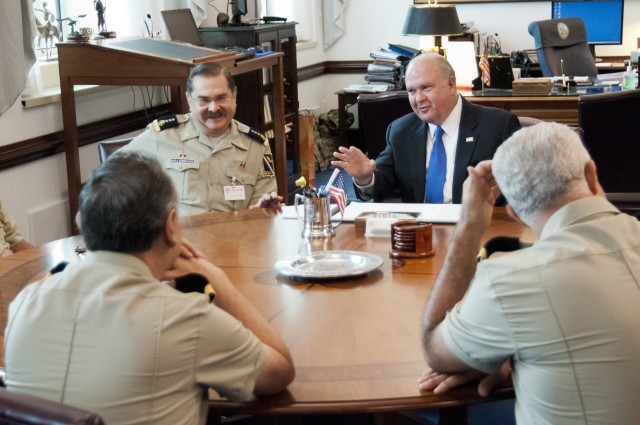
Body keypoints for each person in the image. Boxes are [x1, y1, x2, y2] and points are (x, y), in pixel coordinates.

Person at [4, 151, 295, 424]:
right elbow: (279, 371)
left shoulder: (26, 301)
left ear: (83, 223)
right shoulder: (184, 318)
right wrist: (215, 278)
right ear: (171, 225)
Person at [418, 122, 640, 424]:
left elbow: (434, 347)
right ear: (592, 174)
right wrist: (523, 349)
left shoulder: (509, 282)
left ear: (515, 213)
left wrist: (469, 227)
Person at [332, 52, 521, 204]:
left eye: (426, 88)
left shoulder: (499, 126)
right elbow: (382, 182)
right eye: (411, 91)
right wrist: (366, 177)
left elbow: (521, 191)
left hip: (475, 228)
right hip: (417, 234)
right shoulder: (400, 130)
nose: (418, 98)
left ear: (451, 85)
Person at [124, 62, 283, 216]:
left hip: (234, 239)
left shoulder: (257, 146)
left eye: (221, 98)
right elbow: (112, 176)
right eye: (204, 100)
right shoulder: (162, 136)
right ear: (189, 100)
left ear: (234, 95)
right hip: (179, 239)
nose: (214, 108)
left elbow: (262, 208)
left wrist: (262, 211)